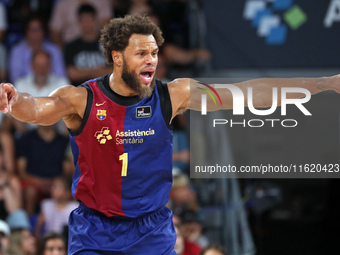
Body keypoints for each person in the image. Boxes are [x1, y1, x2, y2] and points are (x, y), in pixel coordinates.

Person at [0, 15, 339, 254]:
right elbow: (38, 109)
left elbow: (248, 93)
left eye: (155, 53)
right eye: (142, 53)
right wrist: (14, 100)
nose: (152, 60)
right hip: (95, 231)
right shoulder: (82, 99)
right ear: (117, 57)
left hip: (151, 230)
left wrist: (322, 84)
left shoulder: (172, 95)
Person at [63, 4, 111, 86]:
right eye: (84, 21)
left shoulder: (108, 44)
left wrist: (83, 73)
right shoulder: (71, 46)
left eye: (90, 20)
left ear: (96, 20)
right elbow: (71, 74)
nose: (87, 25)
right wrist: (97, 72)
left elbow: (114, 71)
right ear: (79, 22)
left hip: (105, 91)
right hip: (79, 92)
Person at [9, 15, 66, 83]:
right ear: (26, 31)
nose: (35, 33)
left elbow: (61, 76)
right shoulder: (17, 51)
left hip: (52, 88)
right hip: (25, 89)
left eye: (38, 29)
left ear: (44, 31)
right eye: (31, 29)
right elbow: (15, 79)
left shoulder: (55, 50)